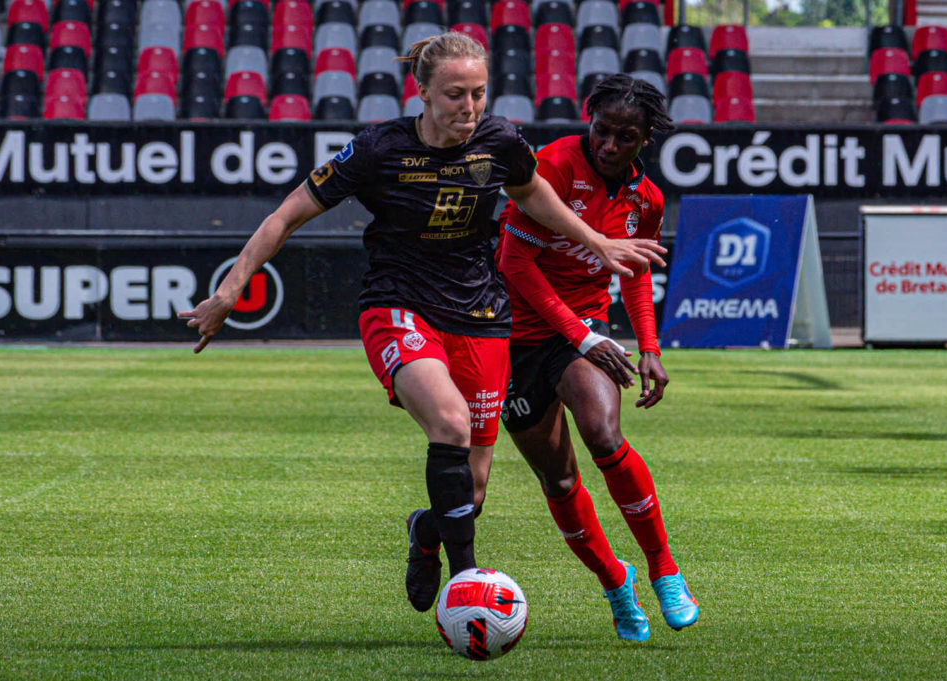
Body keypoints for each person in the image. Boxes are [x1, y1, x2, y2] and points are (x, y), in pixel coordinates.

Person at [177, 34, 666, 615]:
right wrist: (230, 290)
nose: (470, 107)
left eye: (478, 93)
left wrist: (597, 243)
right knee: (450, 423)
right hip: (398, 303)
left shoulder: (500, 141)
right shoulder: (378, 148)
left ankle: (426, 531)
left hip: (479, 314)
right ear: (424, 92)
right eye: (455, 94)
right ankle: (467, 587)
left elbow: (534, 193)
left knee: (471, 494)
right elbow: (286, 215)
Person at [495, 74, 698, 642]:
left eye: (625, 137)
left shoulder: (646, 199)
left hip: (580, 331)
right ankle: (615, 582)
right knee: (558, 480)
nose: (609, 145)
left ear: (645, 140)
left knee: (604, 435)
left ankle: (664, 570)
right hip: (512, 336)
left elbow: (633, 272)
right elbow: (513, 264)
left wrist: (648, 347)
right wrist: (585, 339)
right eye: (601, 130)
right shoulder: (554, 168)